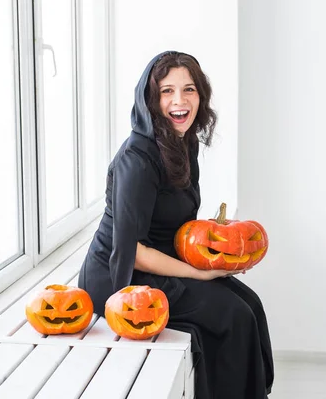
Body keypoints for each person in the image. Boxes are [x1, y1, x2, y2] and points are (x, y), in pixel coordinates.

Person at [78, 50, 274, 398]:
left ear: (201, 96)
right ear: (151, 99)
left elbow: (172, 227)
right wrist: (200, 273)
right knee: (233, 315)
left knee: (250, 305)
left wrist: (221, 257)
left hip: (161, 261)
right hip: (120, 277)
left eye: (189, 89)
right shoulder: (136, 160)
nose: (179, 100)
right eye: (167, 91)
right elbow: (133, 252)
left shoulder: (181, 144)